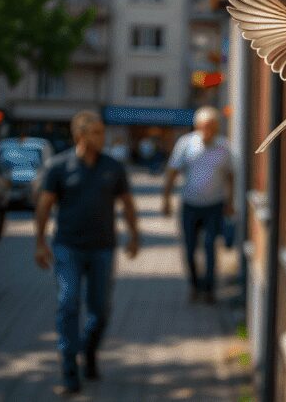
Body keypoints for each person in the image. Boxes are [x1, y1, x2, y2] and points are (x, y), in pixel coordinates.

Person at [34, 110, 140, 395]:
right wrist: (39, 242)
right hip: (68, 248)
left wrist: (134, 235)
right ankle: (70, 371)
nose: (102, 138)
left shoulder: (112, 167)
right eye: (96, 133)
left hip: (103, 249)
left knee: (100, 311)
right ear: (80, 136)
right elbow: (44, 206)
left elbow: (127, 203)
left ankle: (89, 352)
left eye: (103, 132)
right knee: (68, 303)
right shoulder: (58, 167)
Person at [162, 106, 233, 304]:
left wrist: (230, 202)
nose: (208, 130)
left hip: (214, 205)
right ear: (197, 126)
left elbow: (230, 176)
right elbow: (172, 172)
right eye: (204, 126)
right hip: (190, 205)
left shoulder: (223, 147)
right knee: (191, 248)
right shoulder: (186, 144)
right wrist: (166, 199)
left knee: (210, 246)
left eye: (212, 126)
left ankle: (209, 288)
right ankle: (194, 285)